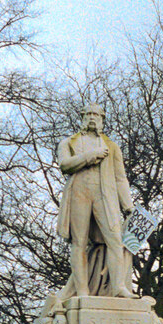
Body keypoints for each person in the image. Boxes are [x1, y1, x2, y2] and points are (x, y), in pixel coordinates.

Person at [56, 103, 134, 297]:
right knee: (79, 243)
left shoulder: (112, 146)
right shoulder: (68, 142)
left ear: (102, 119)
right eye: (89, 114)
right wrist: (90, 156)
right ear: (83, 117)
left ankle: (118, 287)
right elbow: (65, 164)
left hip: (104, 196)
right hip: (79, 194)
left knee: (115, 240)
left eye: (96, 115)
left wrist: (128, 205)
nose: (92, 117)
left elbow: (120, 177)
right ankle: (82, 291)